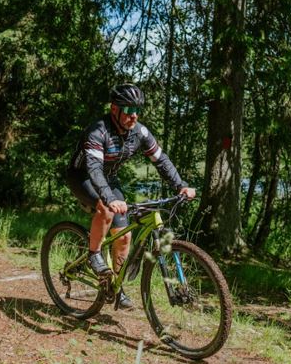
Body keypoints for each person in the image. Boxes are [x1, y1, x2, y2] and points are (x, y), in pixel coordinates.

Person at [62, 83, 197, 306]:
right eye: (127, 110)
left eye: (137, 110)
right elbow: (94, 169)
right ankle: (94, 254)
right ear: (114, 109)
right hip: (83, 176)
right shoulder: (98, 131)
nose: (133, 116)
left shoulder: (140, 132)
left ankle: (116, 286)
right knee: (104, 209)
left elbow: (160, 160)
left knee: (124, 236)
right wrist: (110, 198)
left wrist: (180, 185)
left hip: (108, 179)